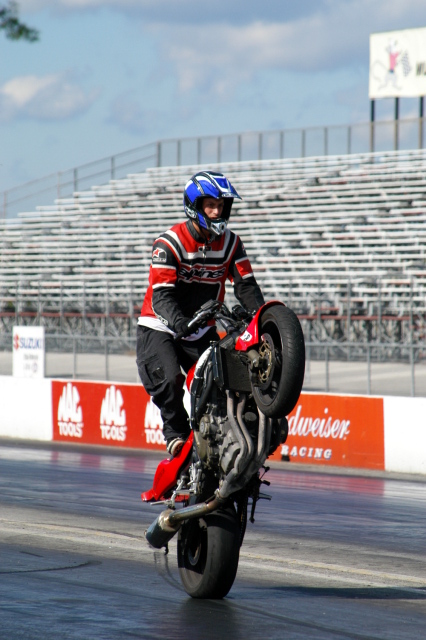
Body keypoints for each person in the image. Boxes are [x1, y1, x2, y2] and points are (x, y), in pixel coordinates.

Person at [136, 170, 265, 456]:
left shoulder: (232, 243)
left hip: (202, 326)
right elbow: (162, 296)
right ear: (195, 207)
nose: (217, 211)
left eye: (221, 205)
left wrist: (261, 319)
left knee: (225, 378)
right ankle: (176, 434)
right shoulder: (169, 243)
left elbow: (247, 286)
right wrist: (180, 322)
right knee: (169, 378)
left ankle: (223, 436)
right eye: (211, 205)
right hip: (159, 325)